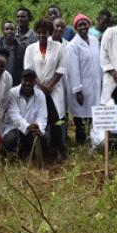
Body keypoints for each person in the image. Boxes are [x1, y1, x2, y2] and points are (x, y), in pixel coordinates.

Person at [24, 19, 68, 158]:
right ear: (36, 32)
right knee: (39, 119)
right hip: (37, 89)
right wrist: (41, 86)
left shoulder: (58, 47)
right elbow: (28, 69)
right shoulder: (30, 49)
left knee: (56, 120)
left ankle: (58, 149)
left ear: (50, 32)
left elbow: (61, 68)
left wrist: (50, 86)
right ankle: (41, 149)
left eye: (45, 32)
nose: (42, 35)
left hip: (54, 90)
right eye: (39, 32)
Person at [66, 14, 102, 145]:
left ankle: (94, 142)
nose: (83, 27)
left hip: (95, 86)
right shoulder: (72, 46)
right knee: (81, 118)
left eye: (85, 24)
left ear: (89, 25)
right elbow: (73, 70)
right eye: (79, 25)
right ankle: (81, 144)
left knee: (93, 116)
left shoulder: (94, 40)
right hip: (82, 88)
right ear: (75, 27)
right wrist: (78, 91)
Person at [3, 69, 48, 158]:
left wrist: (38, 128)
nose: (28, 83)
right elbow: (15, 116)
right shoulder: (12, 93)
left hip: (33, 130)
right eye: (25, 80)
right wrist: (27, 126)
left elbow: (42, 116)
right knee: (10, 139)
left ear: (35, 82)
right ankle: (15, 152)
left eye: (31, 81)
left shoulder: (40, 95)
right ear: (21, 80)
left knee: (45, 138)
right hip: (14, 127)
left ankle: (26, 150)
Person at [0, 20, 24, 85]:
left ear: (16, 31)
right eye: (7, 29)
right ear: (2, 31)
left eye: (12, 29)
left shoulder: (22, 48)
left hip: (15, 84)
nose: (9, 31)